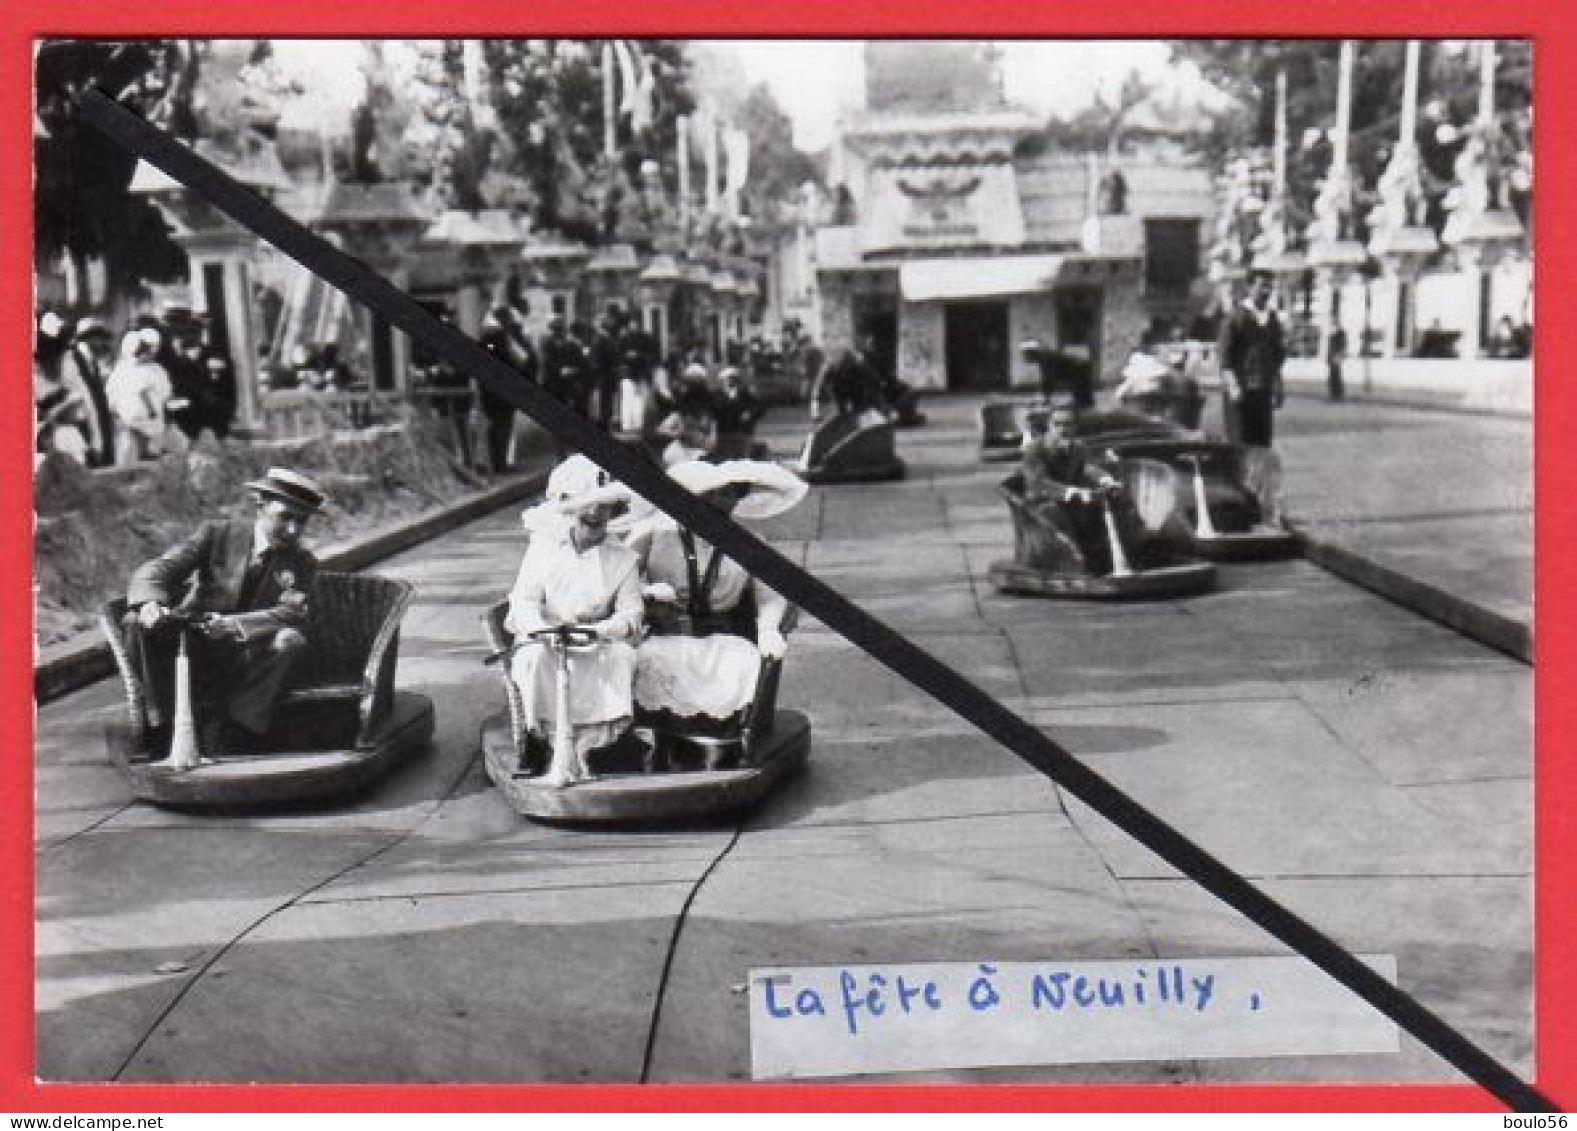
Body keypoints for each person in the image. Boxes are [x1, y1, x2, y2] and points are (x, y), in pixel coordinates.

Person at [123, 468, 326, 756]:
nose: (293, 530)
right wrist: (149, 604)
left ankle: (236, 730)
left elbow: (291, 612)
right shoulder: (218, 534)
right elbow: (156, 570)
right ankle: (161, 726)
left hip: (248, 657)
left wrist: (232, 625)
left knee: (291, 640)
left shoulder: (302, 562)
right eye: (285, 517)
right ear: (260, 505)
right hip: (194, 644)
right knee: (134, 622)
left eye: (302, 521)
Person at [627, 460, 806, 760]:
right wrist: (646, 597)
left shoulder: (749, 543)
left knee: (740, 664)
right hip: (666, 633)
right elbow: (619, 577)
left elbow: (770, 596)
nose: (721, 502)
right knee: (644, 658)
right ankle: (657, 741)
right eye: (713, 494)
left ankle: (721, 746)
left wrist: (768, 629)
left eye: (732, 494)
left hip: (722, 637)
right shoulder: (655, 534)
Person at [505, 456, 645, 786]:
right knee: (535, 660)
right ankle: (547, 746)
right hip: (546, 639)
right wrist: (543, 629)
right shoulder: (542, 549)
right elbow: (523, 601)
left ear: (614, 512)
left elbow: (631, 613)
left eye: (604, 507)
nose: (595, 514)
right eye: (587, 506)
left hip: (595, 640)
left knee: (622, 658)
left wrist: (600, 630)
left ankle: (591, 749)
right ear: (569, 508)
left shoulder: (623, 560)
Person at [1018, 401, 1144, 576]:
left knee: (1119, 504)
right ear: (1049, 425)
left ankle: (1126, 553)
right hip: (1040, 503)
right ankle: (1076, 560)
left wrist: (1106, 480)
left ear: (1074, 427)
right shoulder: (1035, 450)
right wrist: (1071, 492)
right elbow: (1039, 483)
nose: (1063, 429)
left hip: (1072, 501)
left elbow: (1089, 467)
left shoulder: (1078, 447)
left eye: (1068, 424)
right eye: (1058, 424)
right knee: (1054, 511)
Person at [1219, 269, 1287, 447]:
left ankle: (1259, 475)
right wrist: (1233, 386)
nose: (1267, 291)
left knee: (1263, 442)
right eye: (1262, 286)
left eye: (1270, 287)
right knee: (1241, 441)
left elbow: (1278, 356)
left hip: (1263, 390)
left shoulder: (1272, 319)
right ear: (1249, 287)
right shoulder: (1235, 318)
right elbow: (1225, 358)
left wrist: (1278, 385)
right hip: (1241, 390)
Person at [477, 303, 536, 475]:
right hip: (502, 393)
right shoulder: (504, 338)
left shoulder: (486, 338)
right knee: (502, 428)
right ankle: (500, 464)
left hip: (489, 393)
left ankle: (495, 463)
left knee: (495, 428)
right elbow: (523, 360)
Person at [105, 328, 174, 463]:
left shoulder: (156, 369)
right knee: (130, 457)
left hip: (153, 423)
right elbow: (113, 399)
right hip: (132, 423)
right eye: (143, 350)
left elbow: (164, 394)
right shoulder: (121, 371)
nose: (147, 353)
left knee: (154, 455)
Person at [64, 317, 116, 466]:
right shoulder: (71, 362)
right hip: (83, 432)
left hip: (98, 431)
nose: (102, 343)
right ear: (88, 338)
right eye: (98, 338)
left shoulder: (93, 363)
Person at [809, 333, 886, 419]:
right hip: (840, 388)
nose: (836, 358)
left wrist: (878, 383)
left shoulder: (856, 360)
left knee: (861, 405)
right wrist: (815, 411)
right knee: (841, 407)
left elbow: (871, 376)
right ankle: (844, 418)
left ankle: (862, 417)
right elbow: (817, 387)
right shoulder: (828, 365)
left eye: (839, 355)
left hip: (856, 385)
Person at [1326, 326, 1348, 403]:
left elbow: (1335, 348)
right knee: (1335, 375)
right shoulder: (1334, 338)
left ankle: (1336, 392)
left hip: (1335, 357)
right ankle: (1336, 392)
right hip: (1334, 357)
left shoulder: (1335, 338)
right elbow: (1331, 348)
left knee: (1335, 375)